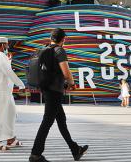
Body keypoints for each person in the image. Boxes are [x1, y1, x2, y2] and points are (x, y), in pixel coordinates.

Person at [29, 28, 88, 162]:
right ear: (63, 39)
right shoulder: (59, 50)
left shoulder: (45, 49)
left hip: (47, 89)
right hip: (54, 91)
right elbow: (66, 73)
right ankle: (35, 155)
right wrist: (72, 83)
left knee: (61, 120)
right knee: (47, 121)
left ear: (51, 38)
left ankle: (75, 150)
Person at [0, 37, 25, 151]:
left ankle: (10, 139)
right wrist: (21, 84)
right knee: (0, 116)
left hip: (5, 92)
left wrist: (9, 61)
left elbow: (5, 69)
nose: (8, 47)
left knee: (10, 114)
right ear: (2, 45)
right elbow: (9, 72)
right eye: (7, 45)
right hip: (1, 93)